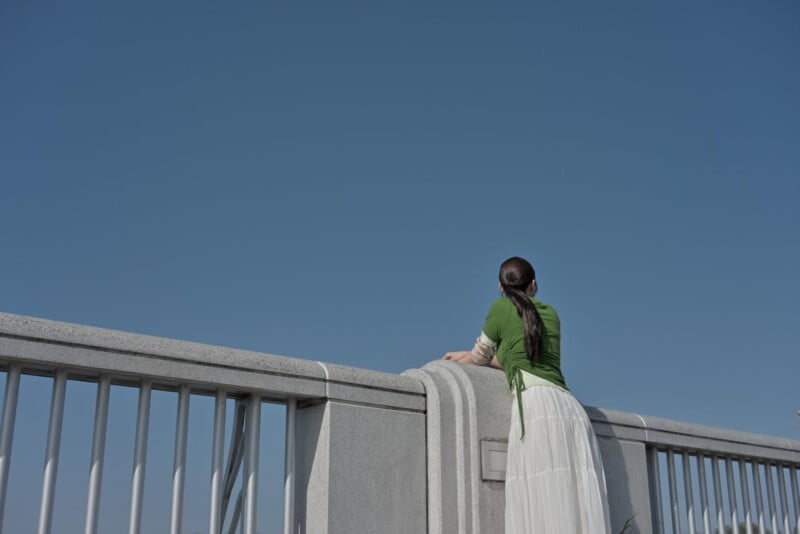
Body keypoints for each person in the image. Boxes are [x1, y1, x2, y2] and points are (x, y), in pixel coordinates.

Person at [443, 256, 612, 533]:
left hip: (537, 409)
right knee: (573, 494)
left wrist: (470, 356)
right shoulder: (552, 315)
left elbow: (481, 355)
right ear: (533, 284)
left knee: (541, 495)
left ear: (500, 287)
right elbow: (525, 358)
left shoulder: (500, 307)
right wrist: (489, 357)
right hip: (569, 410)